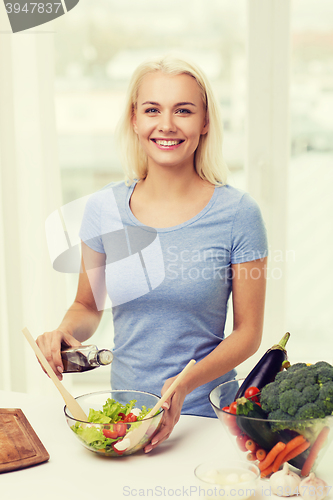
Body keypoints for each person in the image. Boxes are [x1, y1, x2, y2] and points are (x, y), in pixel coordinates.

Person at [37, 54, 268, 454]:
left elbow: (248, 333)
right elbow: (86, 305)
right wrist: (65, 333)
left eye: (183, 110)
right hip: (122, 419)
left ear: (205, 122)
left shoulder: (239, 215)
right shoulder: (104, 209)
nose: (167, 124)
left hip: (207, 421)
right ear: (134, 120)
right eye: (152, 110)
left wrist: (186, 383)